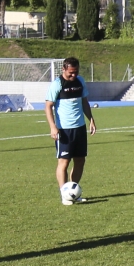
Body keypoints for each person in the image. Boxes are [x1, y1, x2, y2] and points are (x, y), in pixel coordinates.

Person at [46, 57, 97, 203]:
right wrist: (52, 126)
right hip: (64, 130)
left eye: (76, 72)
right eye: (71, 73)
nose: (73, 75)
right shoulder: (57, 84)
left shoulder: (80, 81)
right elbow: (48, 106)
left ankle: (73, 192)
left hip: (79, 128)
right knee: (64, 162)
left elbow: (84, 102)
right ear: (64, 69)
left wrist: (91, 120)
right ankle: (64, 195)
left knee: (80, 161)